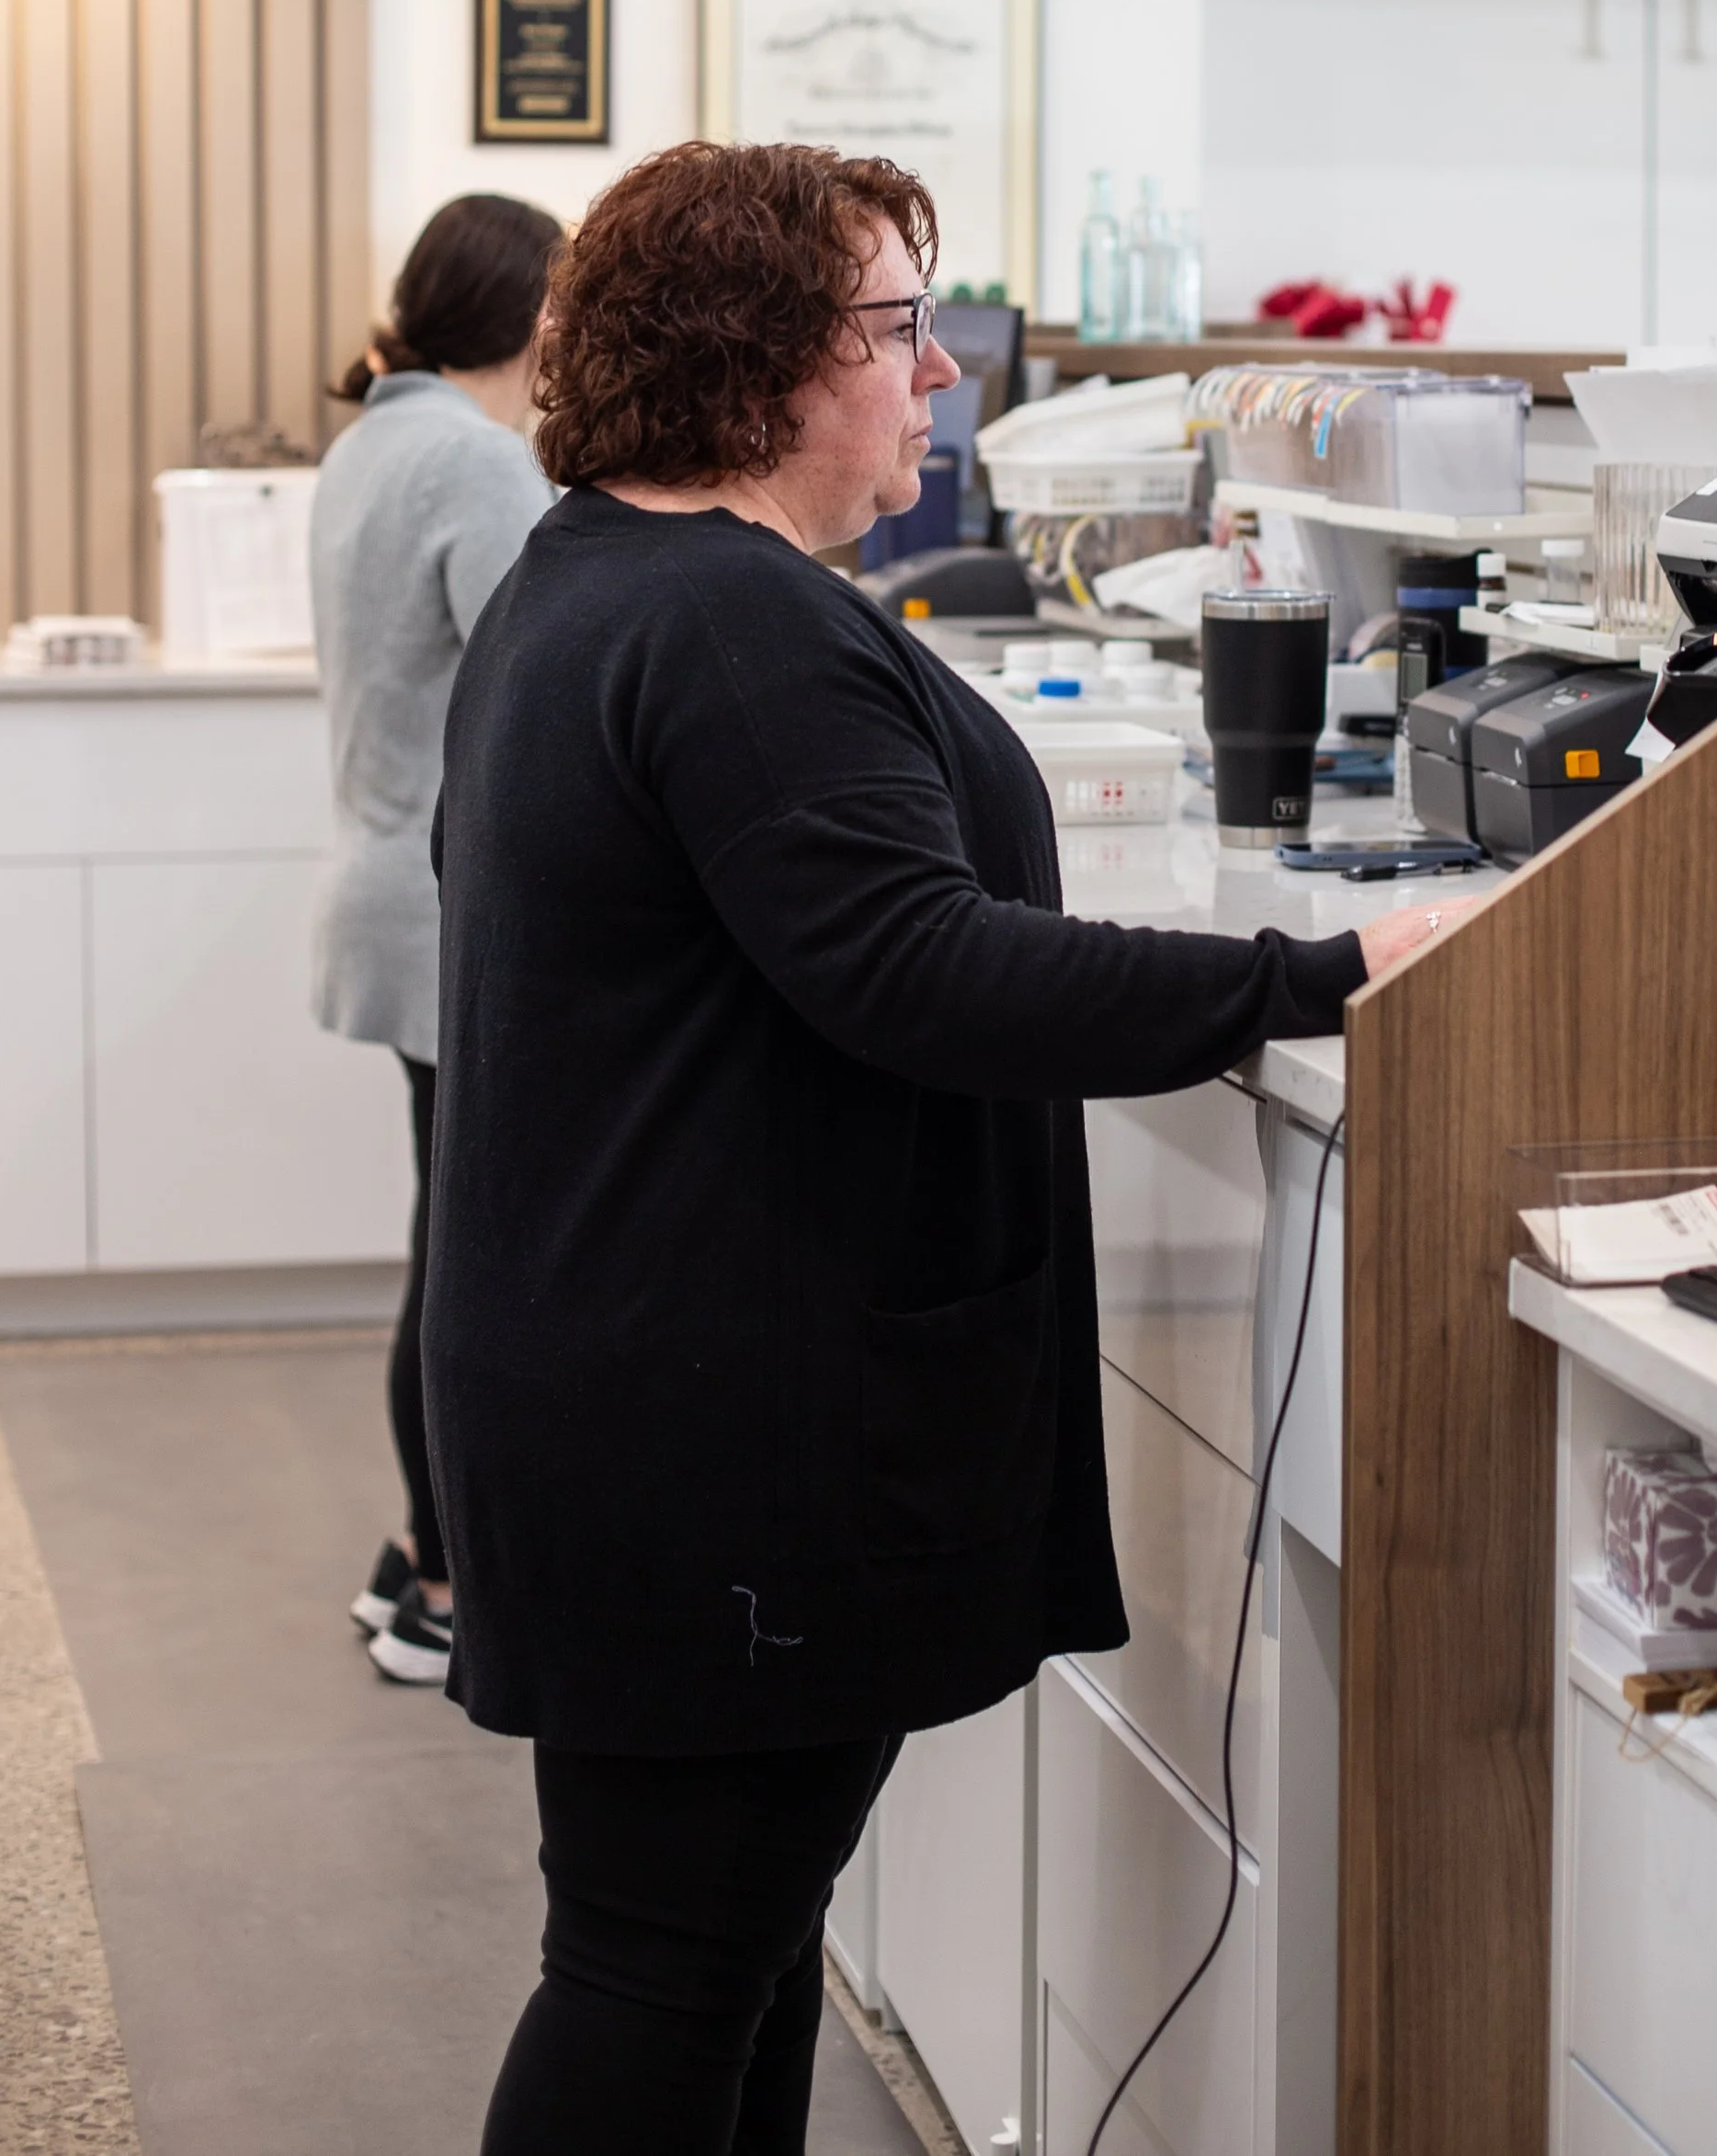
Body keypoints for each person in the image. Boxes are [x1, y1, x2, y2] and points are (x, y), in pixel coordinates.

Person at [422, 139, 1459, 2156]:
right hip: (717, 1422)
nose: (944, 380)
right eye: (901, 330)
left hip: (645, 1376)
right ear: (758, 364)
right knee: (663, 1959)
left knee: (718, 1942)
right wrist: (1318, 970)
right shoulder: (728, 624)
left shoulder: (614, 578)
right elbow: (926, 973)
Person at [310, 190, 561, 1687]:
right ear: (540, 317)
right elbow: (547, 669)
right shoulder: (472, 458)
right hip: (444, 906)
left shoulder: (371, 442)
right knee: (468, 1255)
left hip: (382, 886)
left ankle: (418, 1549)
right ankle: (454, 1580)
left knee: (442, 1235)